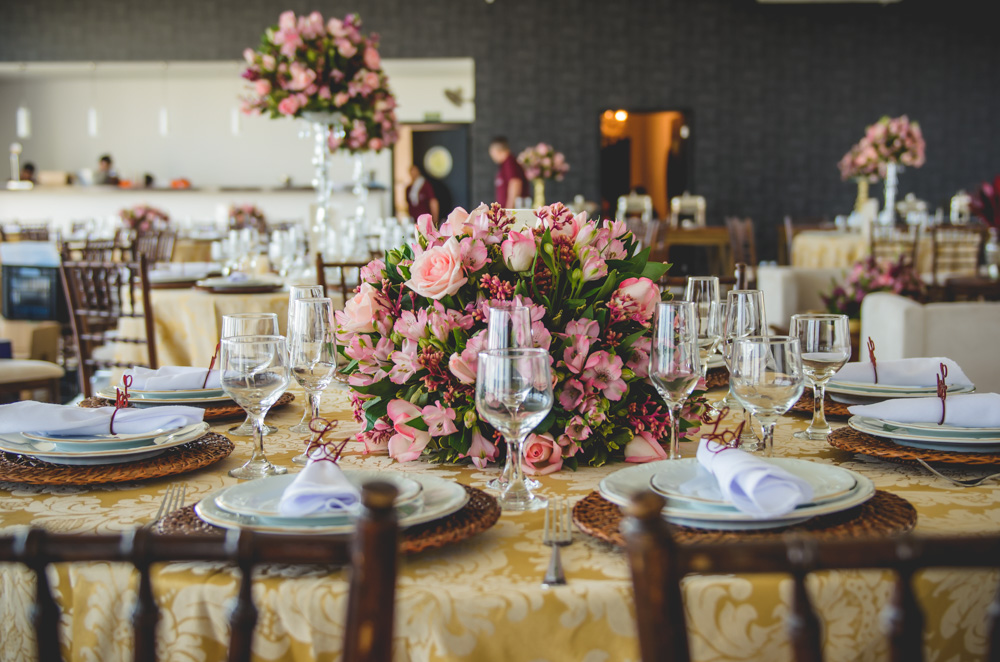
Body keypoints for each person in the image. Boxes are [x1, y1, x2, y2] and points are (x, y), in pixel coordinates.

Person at [489, 136, 528, 209]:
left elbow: (515, 183)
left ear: (495, 150)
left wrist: (509, 210)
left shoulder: (509, 162)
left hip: (511, 213)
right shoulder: (506, 164)